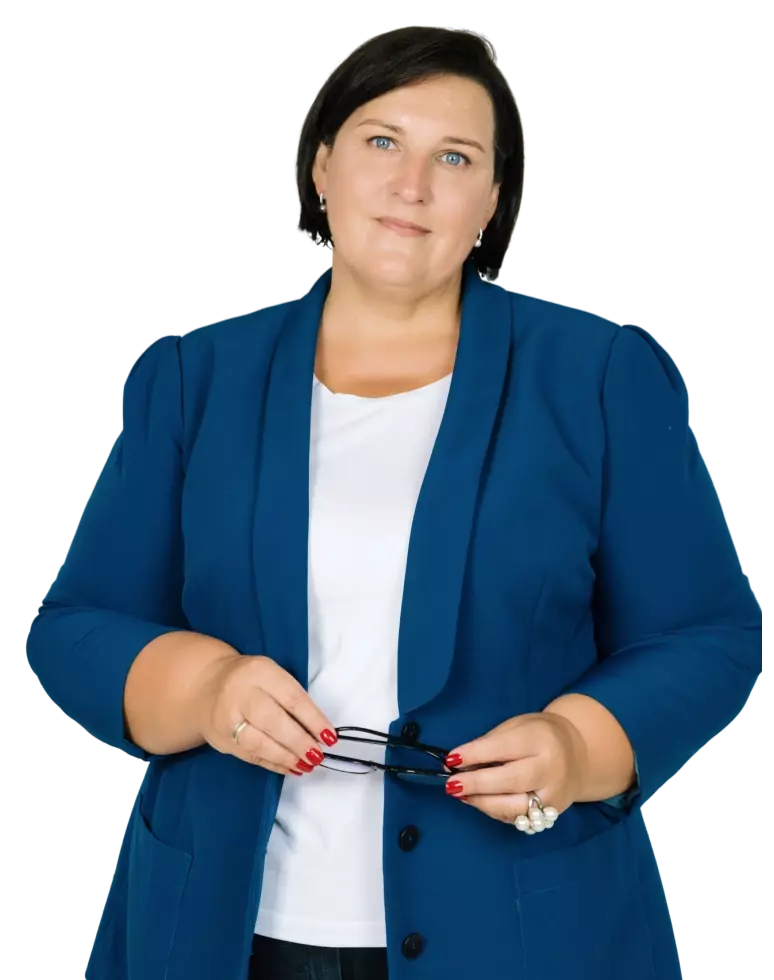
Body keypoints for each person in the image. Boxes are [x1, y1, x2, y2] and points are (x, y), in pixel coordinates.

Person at [24, 24, 762, 980]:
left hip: (524, 935)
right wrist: (204, 691)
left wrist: (578, 746)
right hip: (223, 932)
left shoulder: (600, 374)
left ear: (491, 199)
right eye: (382, 141)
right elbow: (78, 626)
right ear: (322, 166)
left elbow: (706, 634)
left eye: (455, 158)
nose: (412, 184)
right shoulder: (191, 376)